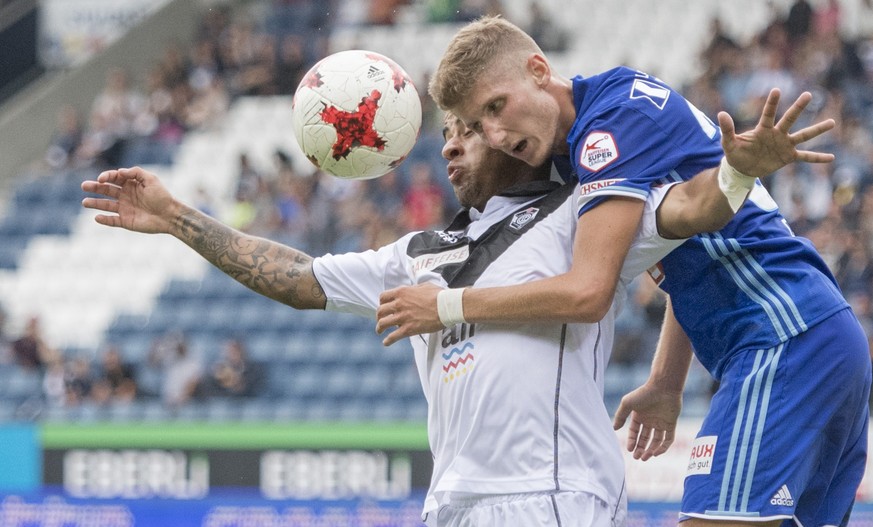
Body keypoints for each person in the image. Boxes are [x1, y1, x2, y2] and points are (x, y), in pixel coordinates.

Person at [83, 90, 825, 525]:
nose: (451, 146)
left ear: (513, 139)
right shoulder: (416, 251)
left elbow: (692, 212)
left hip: (550, 495)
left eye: (468, 130)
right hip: (452, 503)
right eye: (445, 134)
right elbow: (298, 277)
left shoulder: (584, 212)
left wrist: (734, 168)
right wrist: (177, 216)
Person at [374, 16, 869, 527]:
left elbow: (588, 292)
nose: (495, 135)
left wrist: (445, 305)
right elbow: (689, 247)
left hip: (784, 340)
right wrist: (666, 382)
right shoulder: (587, 140)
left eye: (497, 106)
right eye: (479, 125)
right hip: (815, 337)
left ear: (539, 70)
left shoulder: (608, 125)